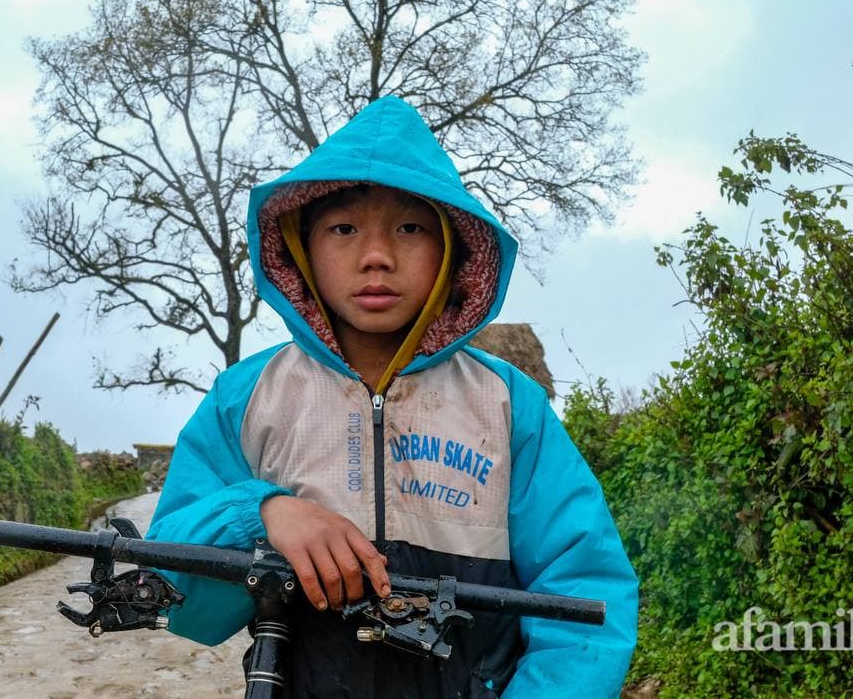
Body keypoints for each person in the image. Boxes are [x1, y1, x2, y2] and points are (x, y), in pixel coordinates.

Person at [146, 96, 638, 697]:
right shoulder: (247, 399)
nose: (375, 256)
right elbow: (177, 595)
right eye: (344, 228)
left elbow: (585, 591)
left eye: (410, 228)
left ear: (454, 253)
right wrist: (264, 515)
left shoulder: (509, 406)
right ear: (302, 247)